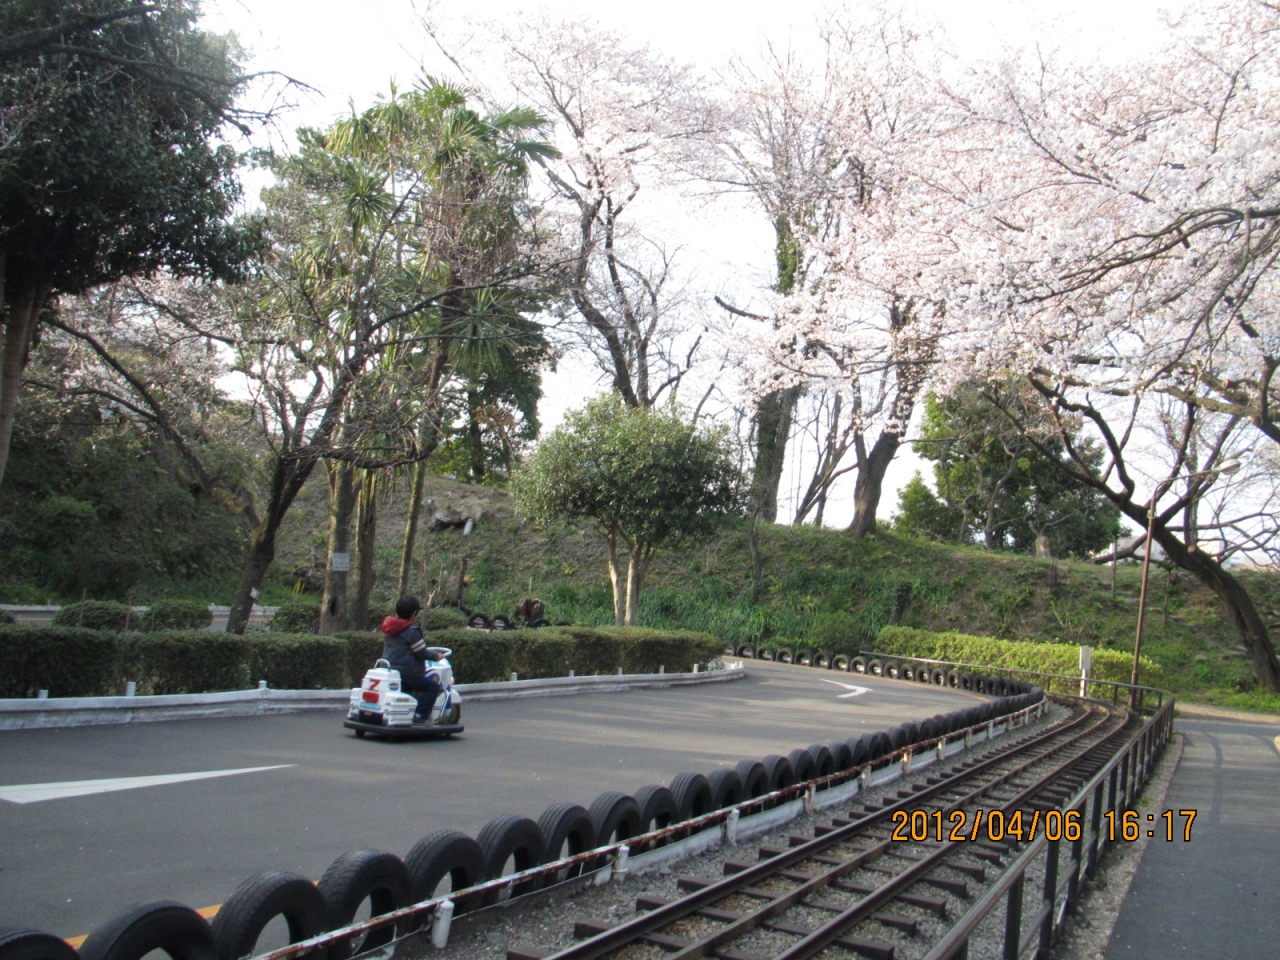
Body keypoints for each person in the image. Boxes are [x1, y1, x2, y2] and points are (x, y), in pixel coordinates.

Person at [380, 595, 441, 724]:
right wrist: (436, 656)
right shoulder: (412, 631)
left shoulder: (389, 627)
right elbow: (421, 653)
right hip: (408, 672)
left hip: (390, 669)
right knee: (432, 687)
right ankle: (420, 715)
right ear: (414, 614)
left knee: (409, 688)